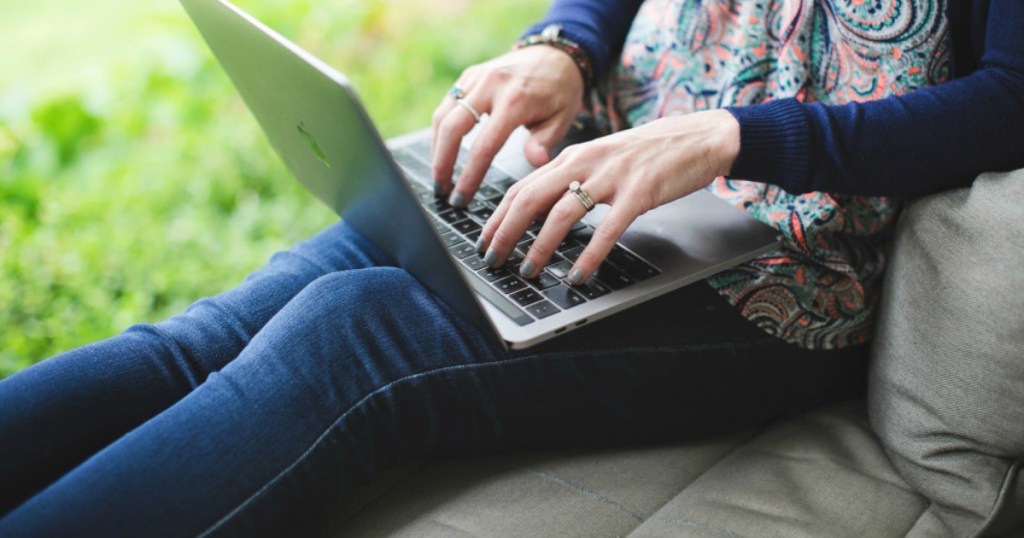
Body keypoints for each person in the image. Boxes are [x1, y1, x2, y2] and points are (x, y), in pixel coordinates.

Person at [1, 0, 1020, 535]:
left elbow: (1008, 97)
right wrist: (566, 46)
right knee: (207, 337)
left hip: (782, 266)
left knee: (352, 336)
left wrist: (733, 140)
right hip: (592, 155)